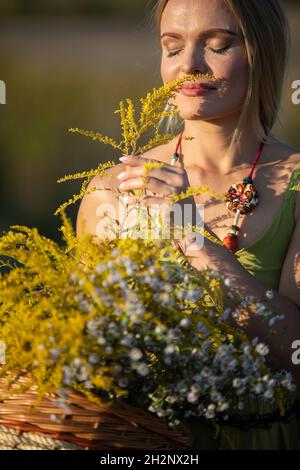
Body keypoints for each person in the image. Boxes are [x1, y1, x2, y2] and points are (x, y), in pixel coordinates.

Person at [76, 0, 300, 449]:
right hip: (143, 444)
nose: (190, 67)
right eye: (172, 47)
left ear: (263, 51)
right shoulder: (114, 190)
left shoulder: (295, 186)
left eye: (217, 45)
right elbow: (82, 350)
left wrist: (196, 242)